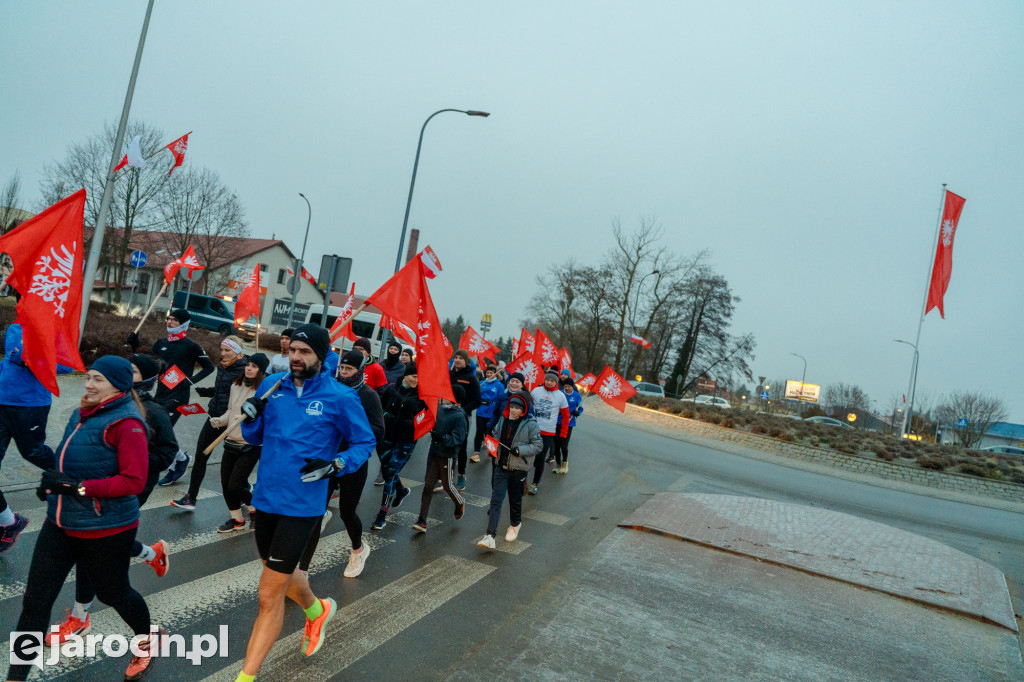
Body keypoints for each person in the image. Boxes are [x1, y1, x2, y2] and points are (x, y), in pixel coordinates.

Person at [233, 324, 375, 679]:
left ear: (322, 356)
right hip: (266, 499)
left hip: (302, 506)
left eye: (305, 352)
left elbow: (364, 442)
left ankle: (245, 676)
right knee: (283, 574)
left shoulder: (340, 397)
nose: (296, 357)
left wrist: (337, 464)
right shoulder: (272, 387)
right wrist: (249, 417)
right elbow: (255, 436)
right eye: (293, 350)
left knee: (269, 594)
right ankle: (317, 610)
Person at [8, 356, 161, 681]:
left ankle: (148, 638)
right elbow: (69, 458)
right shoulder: (80, 413)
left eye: (98, 380)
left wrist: (78, 488)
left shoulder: (128, 424)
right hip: (61, 523)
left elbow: (133, 481)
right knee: (34, 604)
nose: (89, 384)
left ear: (118, 386)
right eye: (89, 376)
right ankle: (15, 677)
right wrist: (54, 482)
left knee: (113, 593)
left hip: (107, 528)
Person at [48, 354, 176, 645]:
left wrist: (128, 463)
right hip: (92, 491)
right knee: (95, 552)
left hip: (125, 494)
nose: (126, 375)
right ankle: (151, 554)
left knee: (100, 558)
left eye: (132, 371)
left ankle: (88, 618)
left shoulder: (152, 411)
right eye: (90, 376)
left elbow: (167, 452)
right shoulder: (94, 408)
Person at [298, 348, 384, 578]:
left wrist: (353, 422)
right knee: (317, 513)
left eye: (349, 369)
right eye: (342, 368)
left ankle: (359, 549)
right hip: (327, 460)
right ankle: (303, 570)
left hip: (352, 462)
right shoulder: (332, 390)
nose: (344, 373)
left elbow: (378, 432)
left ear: (360, 371)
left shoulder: (368, 396)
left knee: (347, 512)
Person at [0, 323, 73, 553]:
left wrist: (35, 360)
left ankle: (71, 475)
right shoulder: (16, 328)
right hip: (2, 400)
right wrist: (30, 357)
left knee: (32, 452)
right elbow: (13, 355)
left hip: (32, 404)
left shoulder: (57, 331)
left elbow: (66, 367)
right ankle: (9, 521)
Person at [129, 309, 215, 485]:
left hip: (178, 396)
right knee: (156, 430)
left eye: (174, 320)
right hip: (161, 393)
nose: (169, 322)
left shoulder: (191, 346)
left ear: (183, 324)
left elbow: (209, 367)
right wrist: (135, 346)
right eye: (168, 319)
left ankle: (176, 463)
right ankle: (181, 459)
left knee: (163, 431)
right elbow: (150, 363)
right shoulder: (161, 342)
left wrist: (190, 381)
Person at [169, 336, 247, 508]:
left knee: (235, 465)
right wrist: (207, 392)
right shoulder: (223, 366)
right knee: (201, 456)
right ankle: (191, 498)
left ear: (238, 352)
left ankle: (246, 495)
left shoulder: (245, 370)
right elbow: (222, 391)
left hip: (233, 421)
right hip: (214, 417)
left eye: (227, 350)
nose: (223, 353)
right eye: (222, 349)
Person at [477, 392, 542, 549]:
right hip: (501, 467)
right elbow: (496, 435)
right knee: (496, 501)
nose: (513, 410)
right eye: (511, 407)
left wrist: (520, 450)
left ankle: (515, 525)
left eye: (516, 408)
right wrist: (492, 443)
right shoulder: (503, 419)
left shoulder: (531, 423)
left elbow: (538, 445)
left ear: (524, 409)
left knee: (515, 501)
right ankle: (489, 536)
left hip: (518, 470)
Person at [212, 353, 268, 532]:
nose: (249, 368)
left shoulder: (264, 392)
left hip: (251, 444)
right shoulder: (235, 385)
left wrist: (246, 420)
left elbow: (265, 419)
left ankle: (257, 508)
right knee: (225, 484)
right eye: (248, 365)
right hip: (231, 440)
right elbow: (230, 410)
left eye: (254, 366)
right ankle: (237, 519)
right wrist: (220, 420)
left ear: (261, 371)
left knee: (235, 484)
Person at [371, 361, 426, 531]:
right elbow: (379, 408)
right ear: (406, 375)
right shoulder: (391, 389)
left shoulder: (422, 395)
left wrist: (414, 424)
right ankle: (401, 490)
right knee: (388, 469)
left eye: (419, 377)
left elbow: (426, 417)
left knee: (389, 474)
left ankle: (381, 516)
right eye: (414, 376)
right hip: (387, 436)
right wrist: (386, 416)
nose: (417, 380)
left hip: (406, 440)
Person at [412, 385, 468, 533]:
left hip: (447, 455)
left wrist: (442, 437)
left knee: (447, 485)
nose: (443, 397)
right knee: (428, 486)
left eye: (447, 395)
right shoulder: (440, 409)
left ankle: (460, 502)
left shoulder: (460, 416)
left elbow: (458, 439)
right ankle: (422, 521)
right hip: (434, 452)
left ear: (454, 398)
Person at [528, 368, 570, 495]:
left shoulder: (560, 396)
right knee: (527, 456)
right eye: (547, 380)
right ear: (544, 379)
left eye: (552, 380)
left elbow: (566, 416)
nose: (549, 382)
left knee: (540, 458)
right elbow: (527, 407)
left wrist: (563, 433)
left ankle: (535, 483)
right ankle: (522, 480)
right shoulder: (536, 391)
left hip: (548, 432)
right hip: (532, 428)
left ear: (556, 382)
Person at [449, 349, 481, 490]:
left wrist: (463, 410)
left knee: (461, 446)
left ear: (466, 361)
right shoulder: (448, 375)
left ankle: (461, 475)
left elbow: (477, 401)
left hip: (463, 416)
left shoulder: (471, 378)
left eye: (460, 358)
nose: (457, 360)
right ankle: (443, 475)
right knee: (444, 444)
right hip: (447, 414)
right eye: (455, 357)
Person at [472, 364, 504, 463]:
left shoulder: (499, 385)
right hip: (481, 410)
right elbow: (476, 395)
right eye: (488, 372)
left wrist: (499, 411)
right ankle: (476, 453)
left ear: (495, 374)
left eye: (491, 373)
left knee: (488, 432)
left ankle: (491, 451)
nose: (489, 374)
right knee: (479, 431)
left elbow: (501, 399)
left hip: (492, 411)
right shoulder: (482, 382)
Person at [552, 376, 584, 475]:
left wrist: (577, 413)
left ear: (572, 386)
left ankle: (564, 465)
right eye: (565, 386)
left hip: (569, 423)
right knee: (556, 446)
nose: (567, 388)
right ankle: (558, 464)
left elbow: (580, 408)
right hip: (558, 422)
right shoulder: (559, 393)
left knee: (564, 446)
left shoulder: (577, 395)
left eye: (569, 386)